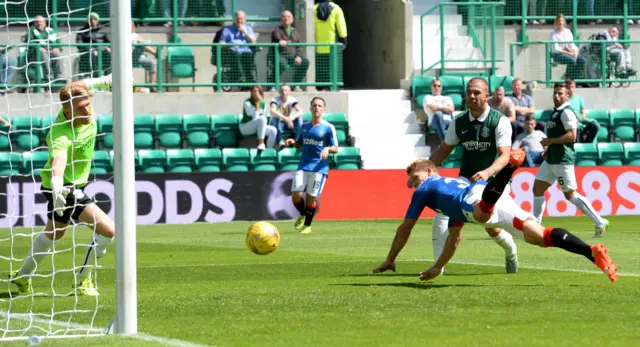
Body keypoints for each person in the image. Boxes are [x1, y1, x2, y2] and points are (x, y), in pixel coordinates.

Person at [372, 154, 618, 283]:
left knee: (480, 213)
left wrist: (390, 258)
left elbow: (405, 229)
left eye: (413, 178)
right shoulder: (447, 192)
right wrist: (438, 267)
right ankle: (591, 252)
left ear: (428, 171)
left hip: (479, 198)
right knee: (539, 237)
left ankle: (510, 168)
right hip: (491, 198)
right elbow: (454, 239)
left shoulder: (426, 188)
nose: (412, 185)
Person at [9, 75, 117, 296]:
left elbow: (76, 87)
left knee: (55, 232)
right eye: (81, 109)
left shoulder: (78, 101)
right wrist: (59, 187)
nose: (87, 112)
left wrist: (107, 80)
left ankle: (23, 275)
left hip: (64, 185)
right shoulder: (61, 133)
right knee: (108, 229)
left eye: (88, 105)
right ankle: (83, 281)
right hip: (63, 187)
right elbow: (59, 161)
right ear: (67, 112)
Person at [428, 77, 519, 274]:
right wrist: (425, 169)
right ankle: (438, 266)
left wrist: (487, 172)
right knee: (441, 213)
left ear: (487, 95)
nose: (471, 96)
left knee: (491, 226)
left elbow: (505, 157)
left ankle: (511, 252)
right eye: (469, 92)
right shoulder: (459, 121)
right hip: (466, 180)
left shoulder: (500, 121)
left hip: (495, 181)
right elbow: (443, 150)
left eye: (477, 92)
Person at [532, 83, 609, 238]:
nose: (556, 96)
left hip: (562, 160)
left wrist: (550, 141)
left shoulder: (567, 112)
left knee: (570, 195)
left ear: (567, 96)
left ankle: (599, 221)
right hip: (552, 158)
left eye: (560, 93)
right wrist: (549, 149)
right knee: (537, 189)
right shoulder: (556, 112)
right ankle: (535, 226)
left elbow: (572, 136)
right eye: (555, 93)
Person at [284, 97, 338, 234]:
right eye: (314, 105)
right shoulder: (304, 127)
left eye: (320, 106)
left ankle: (307, 225)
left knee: (310, 198)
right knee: (296, 195)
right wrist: (292, 142)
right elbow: (300, 146)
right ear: (310, 108)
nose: (317, 108)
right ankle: (303, 215)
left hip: (319, 168)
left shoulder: (328, 127)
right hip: (303, 165)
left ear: (324, 109)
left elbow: (336, 147)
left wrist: (327, 149)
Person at [240, 85, 278, 150]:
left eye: (258, 91)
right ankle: (261, 143)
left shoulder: (263, 103)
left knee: (273, 130)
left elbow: (262, 119)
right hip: (246, 127)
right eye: (254, 91)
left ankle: (269, 150)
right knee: (262, 118)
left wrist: (260, 102)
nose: (256, 93)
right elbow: (255, 118)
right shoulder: (247, 102)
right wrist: (257, 103)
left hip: (258, 127)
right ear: (251, 92)